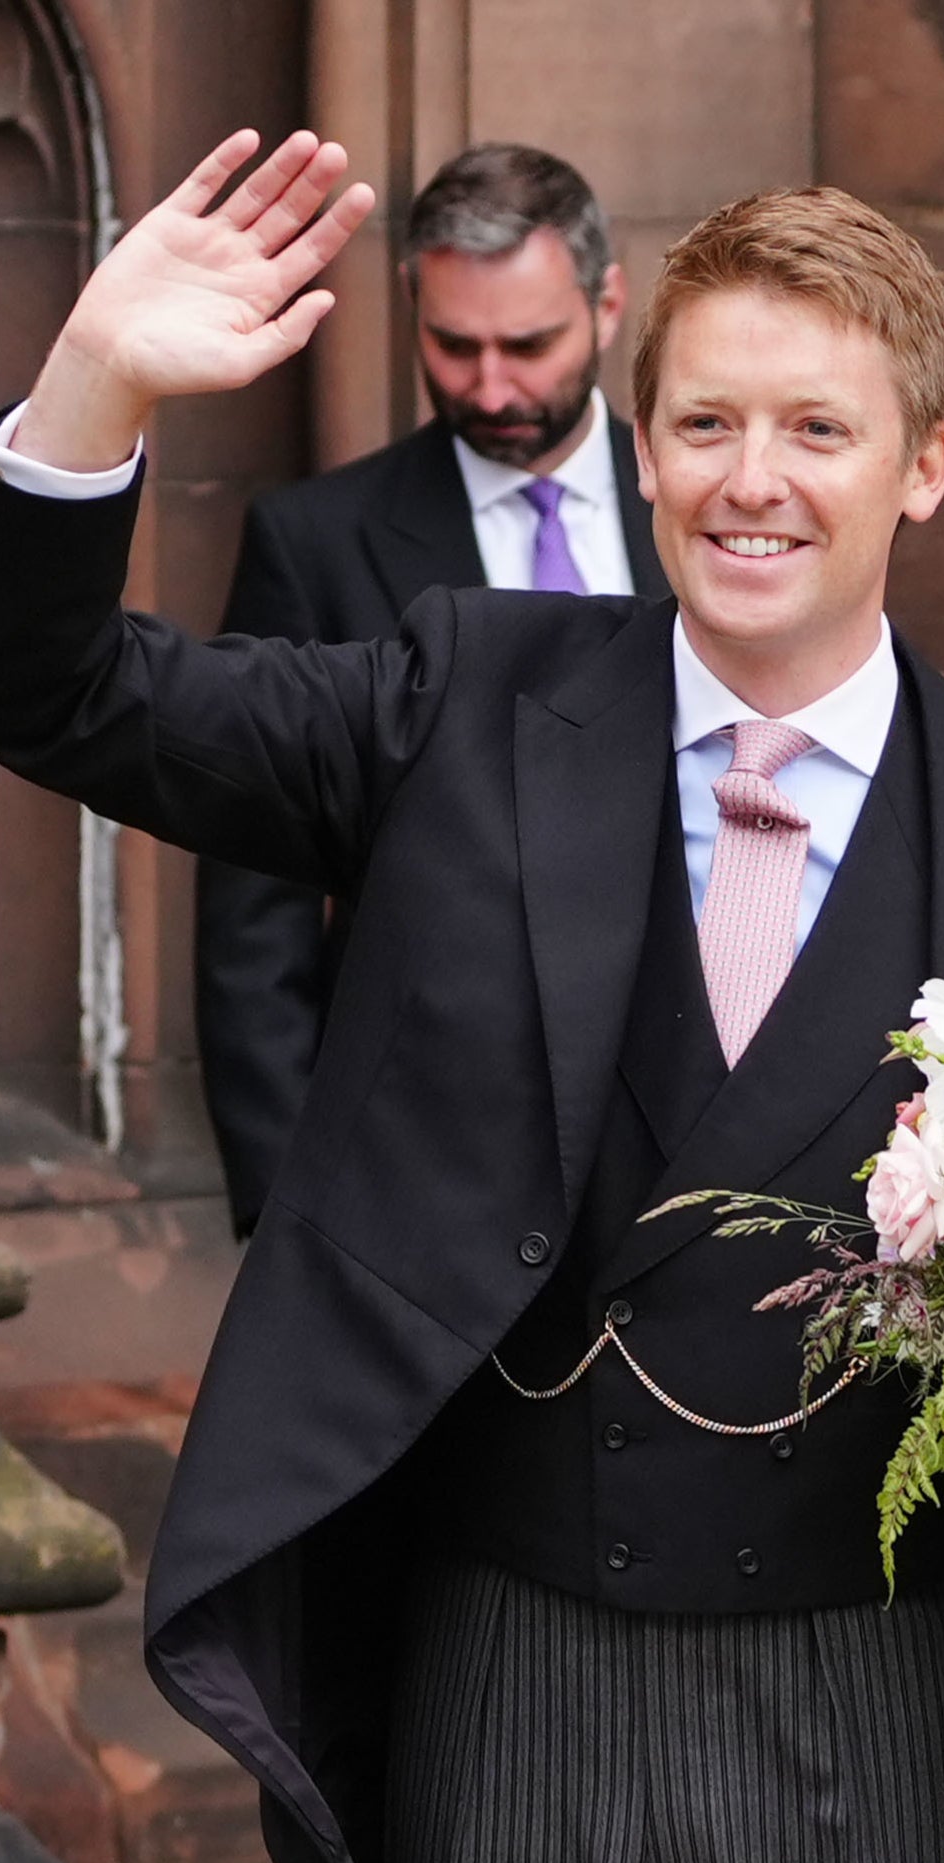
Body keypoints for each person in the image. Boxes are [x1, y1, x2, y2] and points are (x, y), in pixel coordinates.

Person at [0, 130, 944, 1863]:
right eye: (710, 423)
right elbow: (48, 688)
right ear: (642, 445)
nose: (755, 480)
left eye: (819, 429)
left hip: (868, 1692)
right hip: (512, 1672)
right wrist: (93, 382)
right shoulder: (461, 703)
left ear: (926, 464)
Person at [196, 142, 669, 1241]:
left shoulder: (704, 500)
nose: (491, 386)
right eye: (453, 346)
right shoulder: (314, 541)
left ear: (607, 304)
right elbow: (252, 909)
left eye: (527, 344)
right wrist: (285, 1210)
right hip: (418, 1155)